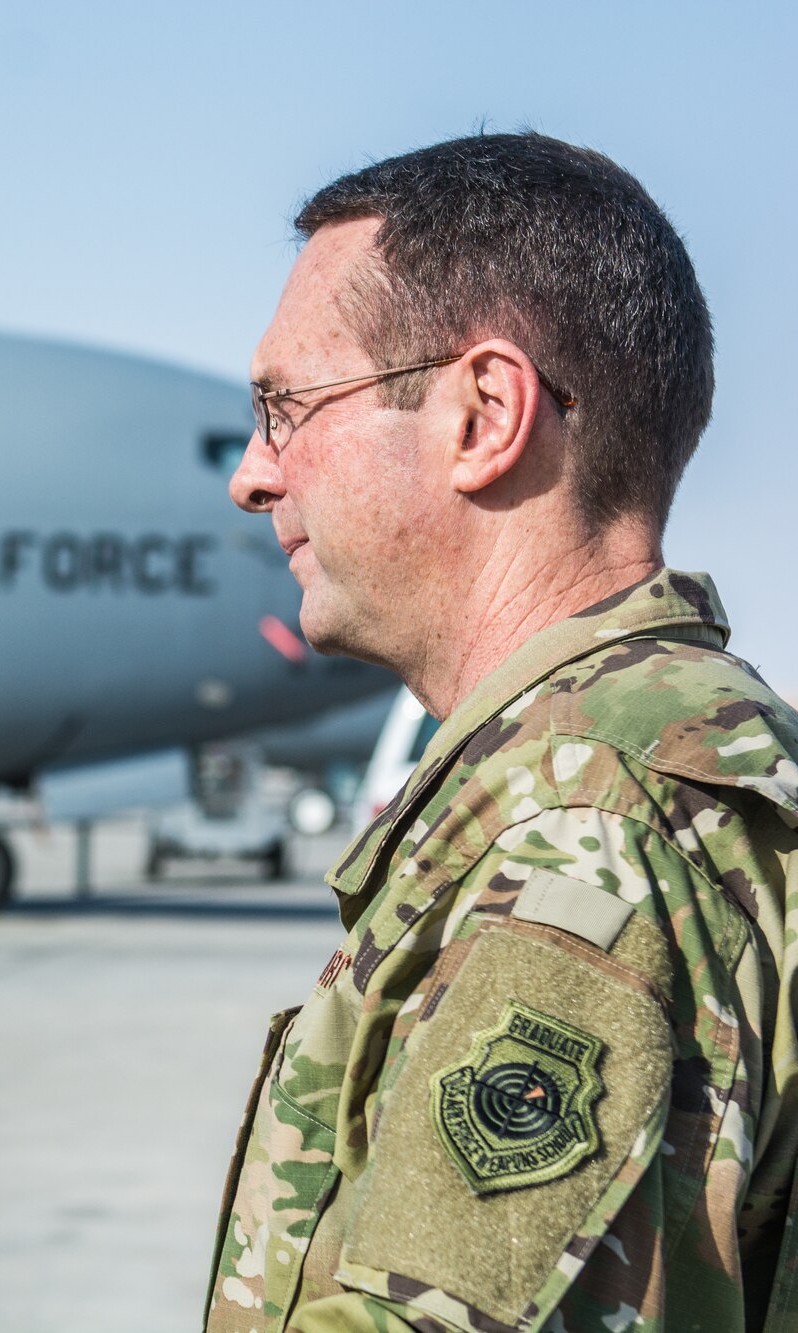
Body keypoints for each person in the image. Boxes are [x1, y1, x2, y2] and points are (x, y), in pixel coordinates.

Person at [208, 132, 798, 1331]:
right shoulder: (635, 758)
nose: (253, 475)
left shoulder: (590, 817)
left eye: (284, 405)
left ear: (483, 412)